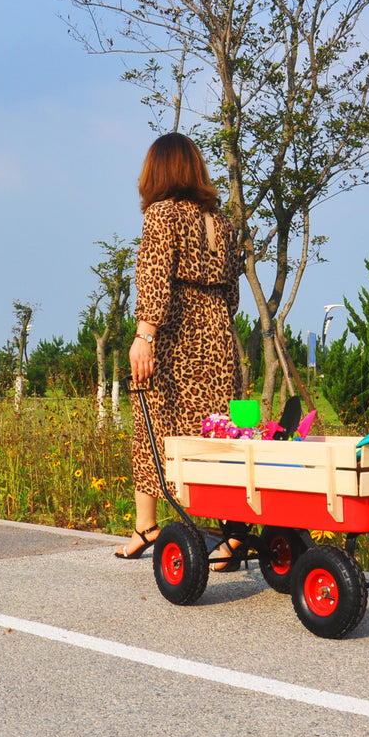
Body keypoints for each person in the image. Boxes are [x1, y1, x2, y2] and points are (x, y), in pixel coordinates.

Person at [117, 132, 244, 566]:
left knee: (151, 425)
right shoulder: (221, 221)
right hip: (219, 338)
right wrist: (219, 329)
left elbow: (154, 275)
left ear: (160, 169)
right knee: (219, 436)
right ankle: (229, 537)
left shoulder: (162, 214)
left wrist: (145, 335)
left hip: (174, 336)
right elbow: (233, 293)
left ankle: (146, 526)